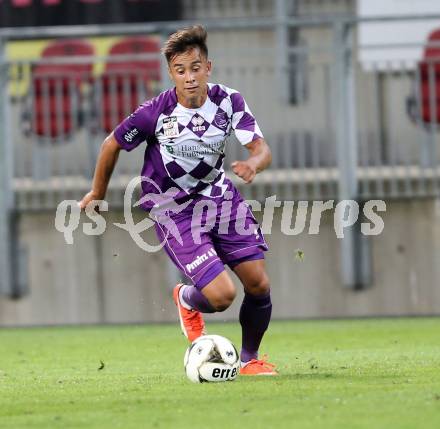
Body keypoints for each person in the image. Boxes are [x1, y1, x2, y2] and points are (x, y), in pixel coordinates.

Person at [79, 25, 277, 375]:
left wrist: (253, 164)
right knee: (221, 297)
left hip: (220, 200)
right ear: (171, 73)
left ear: (208, 67)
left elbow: (261, 149)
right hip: (173, 209)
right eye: (181, 70)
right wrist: (97, 192)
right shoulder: (155, 112)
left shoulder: (229, 101)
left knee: (259, 284)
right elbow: (111, 143)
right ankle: (186, 299)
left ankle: (250, 360)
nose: (189, 77)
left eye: (195, 68)